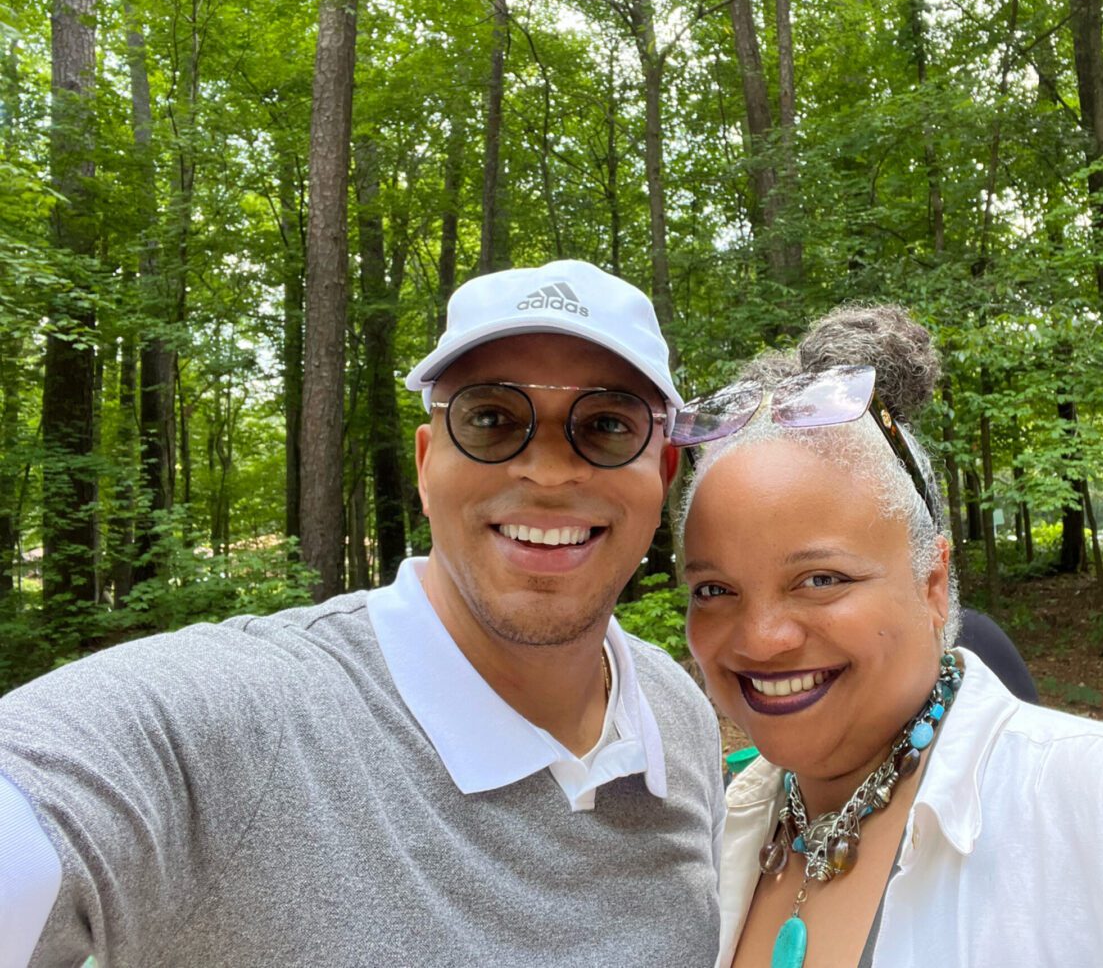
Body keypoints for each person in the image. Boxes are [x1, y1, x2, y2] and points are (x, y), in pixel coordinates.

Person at [0, 260, 724, 967]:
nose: (546, 470)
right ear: (425, 461)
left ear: (660, 473)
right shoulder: (233, 724)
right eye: (492, 418)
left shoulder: (674, 715)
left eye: (604, 424)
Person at [673, 304, 1103, 968]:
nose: (761, 638)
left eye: (819, 578)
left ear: (932, 582)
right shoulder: (702, 834)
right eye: (714, 590)